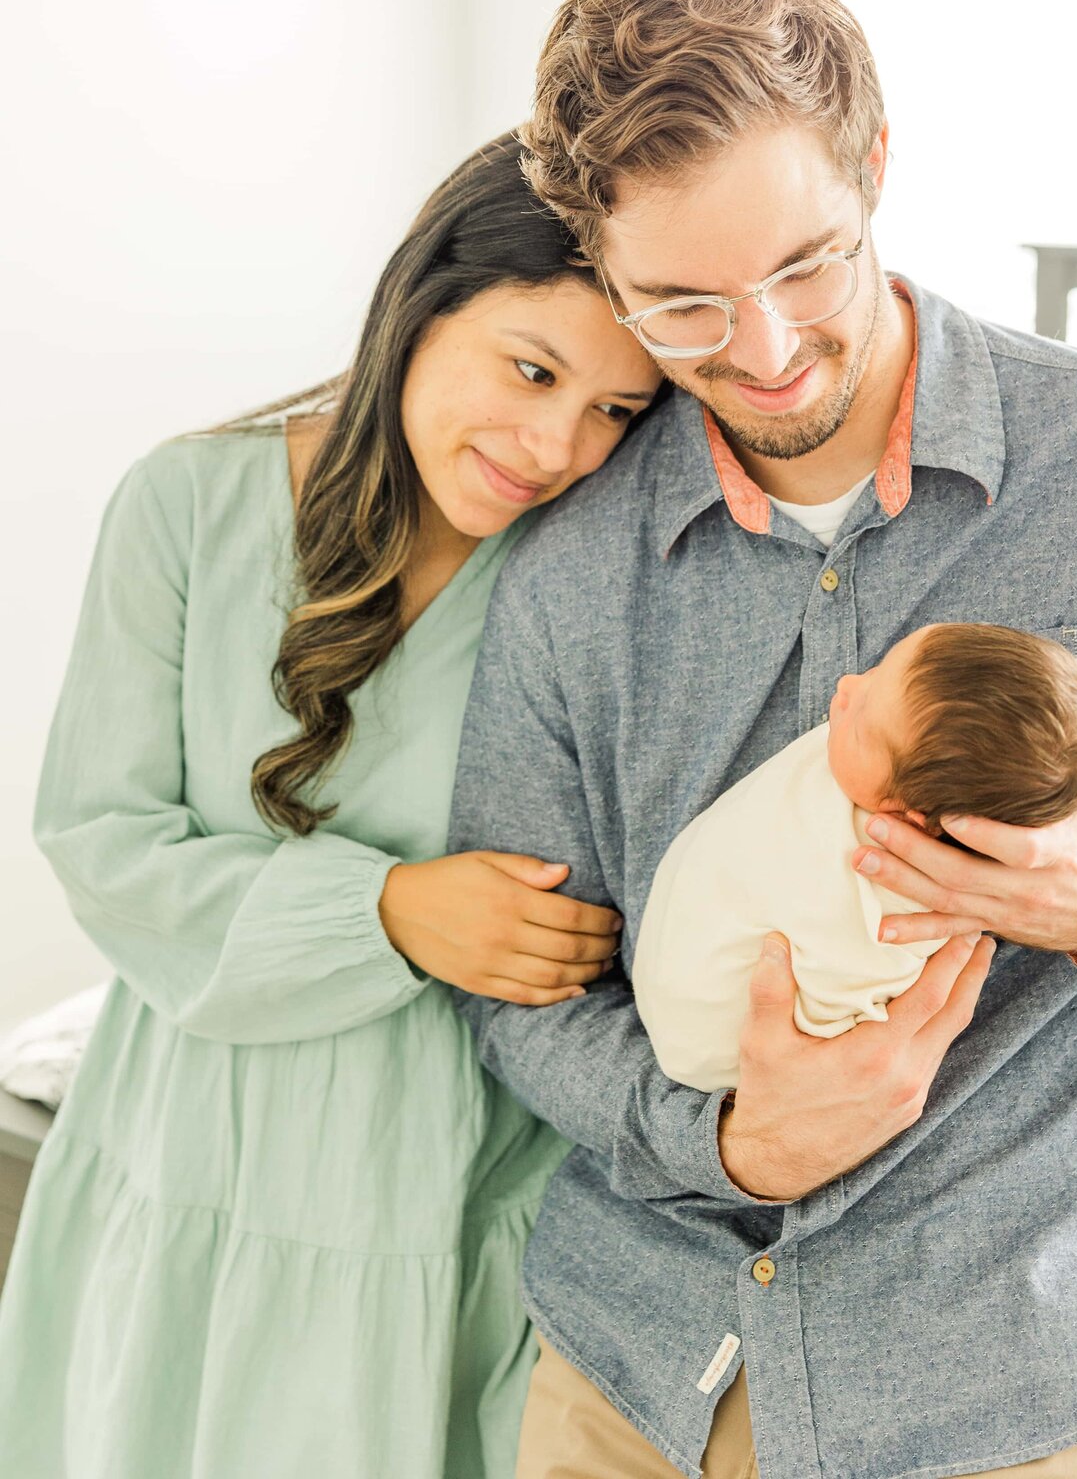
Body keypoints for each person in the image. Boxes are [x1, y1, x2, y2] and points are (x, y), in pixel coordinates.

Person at [449, 0, 1077, 1479]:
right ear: (601, 265)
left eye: (808, 265)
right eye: (682, 309)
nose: (770, 353)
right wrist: (717, 1143)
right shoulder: (566, 566)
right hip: (632, 1384)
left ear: (874, 167)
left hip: (1019, 1396)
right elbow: (519, 984)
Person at [0, 131, 657, 1479]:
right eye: (532, 370)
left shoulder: (598, 575)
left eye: (618, 412)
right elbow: (103, 841)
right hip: (182, 1157)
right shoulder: (186, 504)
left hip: (454, 1188)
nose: (557, 445)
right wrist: (388, 912)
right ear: (422, 303)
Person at [633, 623, 1077, 1090]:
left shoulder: (894, 910)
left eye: (859, 723)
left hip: (720, 1045)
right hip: (673, 981)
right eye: (876, 669)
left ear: (911, 818)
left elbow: (850, 1019)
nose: (847, 686)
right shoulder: (890, 746)